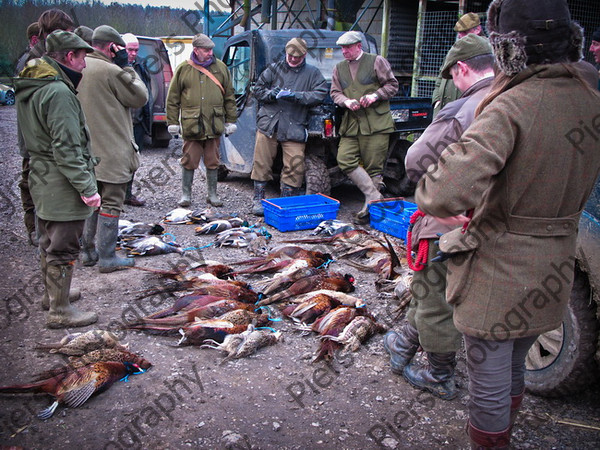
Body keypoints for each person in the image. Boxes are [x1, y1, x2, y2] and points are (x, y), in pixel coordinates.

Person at [414, 0, 600, 447]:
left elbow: (441, 192)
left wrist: (443, 201)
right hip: (556, 260)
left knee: (492, 371)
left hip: (500, 268)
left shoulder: (512, 105)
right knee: (517, 357)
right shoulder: (589, 95)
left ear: (509, 50)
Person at [384, 34, 495, 401]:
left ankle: (439, 374)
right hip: (496, 223)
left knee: (434, 297)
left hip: (453, 220)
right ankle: (402, 345)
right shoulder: (514, 100)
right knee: (432, 291)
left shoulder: (465, 108)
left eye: (452, 76)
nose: (453, 82)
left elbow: (415, 160)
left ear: (462, 69)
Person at [14, 30, 100, 328]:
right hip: (61, 181)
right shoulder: (59, 92)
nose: (84, 65)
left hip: (41, 175)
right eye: (81, 58)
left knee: (47, 239)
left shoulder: (33, 84)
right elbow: (67, 146)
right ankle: (60, 311)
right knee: (63, 245)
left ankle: (52, 297)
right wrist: (88, 188)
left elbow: (25, 140)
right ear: (68, 56)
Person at [78, 25, 149, 273]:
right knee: (111, 201)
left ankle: (87, 252)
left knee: (91, 200)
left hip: (86, 151)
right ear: (112, 47)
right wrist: (126, 67)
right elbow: (140, 97)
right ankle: (107, 256)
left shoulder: (78, 65)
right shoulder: (111, 70)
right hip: (111, 149)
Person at [16, 9, 75, 247]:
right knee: (33, 183)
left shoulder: (48, 58)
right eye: (66, 33)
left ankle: (47, 233)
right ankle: (37, 231)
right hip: (35, 139)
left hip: (41, 137)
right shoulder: (34, 63)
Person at [250, 37, 328, 216]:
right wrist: (271, 94)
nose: (293, 59)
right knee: (262, 162)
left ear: (304, 55)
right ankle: (258, 199)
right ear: (286, 53)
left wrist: (297, 96)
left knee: (294, 166)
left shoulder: (313, 73)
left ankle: (286, 201)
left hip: (294, 124)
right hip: (269, 123)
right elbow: (257, 90)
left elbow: (320, 93)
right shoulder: (274, 69)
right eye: (290, 56)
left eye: (297, 57)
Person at [330, 31, 399, 224]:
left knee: (373, 166)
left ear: (358, 46)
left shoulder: (377, 61)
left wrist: (375, 95)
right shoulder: (339, 68)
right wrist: (345, 101)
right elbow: (335, 93)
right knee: (344, 158)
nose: (344, 52)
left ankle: (370, 212)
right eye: (342, 48)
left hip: (376, 124)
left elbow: (393, 85)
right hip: (352, 124)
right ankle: (374, 196)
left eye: (348, 48)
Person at [166, 33, 237, 208]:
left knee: (213, 160)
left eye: (211, 50)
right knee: (189, 159)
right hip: (192, 124)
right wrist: (172, 122)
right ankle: (186, 194)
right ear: (196, 50)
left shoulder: (221, 68)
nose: (210, 53)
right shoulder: (183, 69)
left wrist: (230, 120)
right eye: (206, 50)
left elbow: (229, 96)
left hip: (214, 124)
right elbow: (172, 98)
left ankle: (212, 194)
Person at [432, 12, 485, 116]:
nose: (460, 36)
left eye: (465, 32)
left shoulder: (486, 52)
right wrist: (436, 99)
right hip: (443, 109)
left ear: (477, 30)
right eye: (459, 33)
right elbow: (441, 75)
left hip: (466, 112)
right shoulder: (455, 50)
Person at [122, 32, 152, 207]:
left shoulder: (141, 65)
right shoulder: (114, 67)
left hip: (137, 121)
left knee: (133, 160)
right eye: (130, 50)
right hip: (120, 123)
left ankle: (127, 193)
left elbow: (147, 90)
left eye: (136, 50)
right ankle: (113, 197)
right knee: (118, 159)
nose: (133, 53)